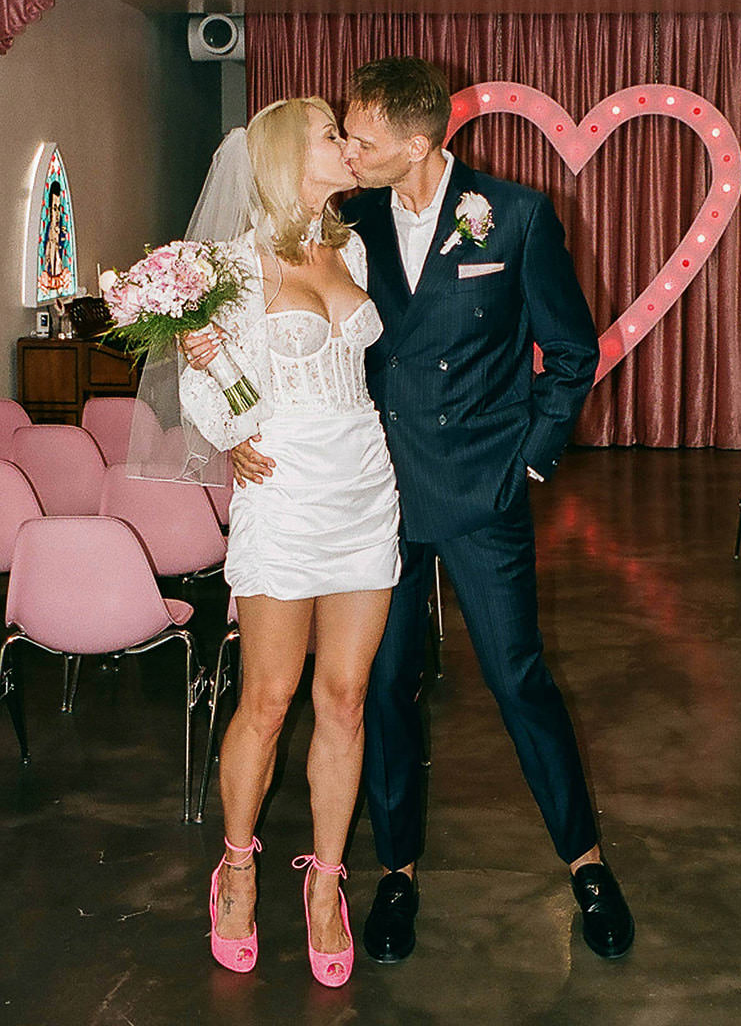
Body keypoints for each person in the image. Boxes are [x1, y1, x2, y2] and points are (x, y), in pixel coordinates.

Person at [232, 58, 634, 961]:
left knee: (519, 679)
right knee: (383, 691)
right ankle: (396, 874)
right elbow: (265, 319)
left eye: (361, 139)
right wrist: (232, 424)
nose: (350, 149)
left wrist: (528, 464)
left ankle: (588, 864)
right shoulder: (349, 222)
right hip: (373, 501)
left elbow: (570, 353)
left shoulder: (517, 215)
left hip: (483, 494)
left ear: (418, 144)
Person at [180, 97, 400, 988]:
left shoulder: (348, 248)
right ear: (284, 154)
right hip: (286, 494)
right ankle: (238, 866)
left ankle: (326, 883)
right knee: (269, 699)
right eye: (328, 134)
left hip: (364, 487)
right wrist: (229, 425)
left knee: (345, 700)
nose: (345, 145)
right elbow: (205, 384)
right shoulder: (230, 264)